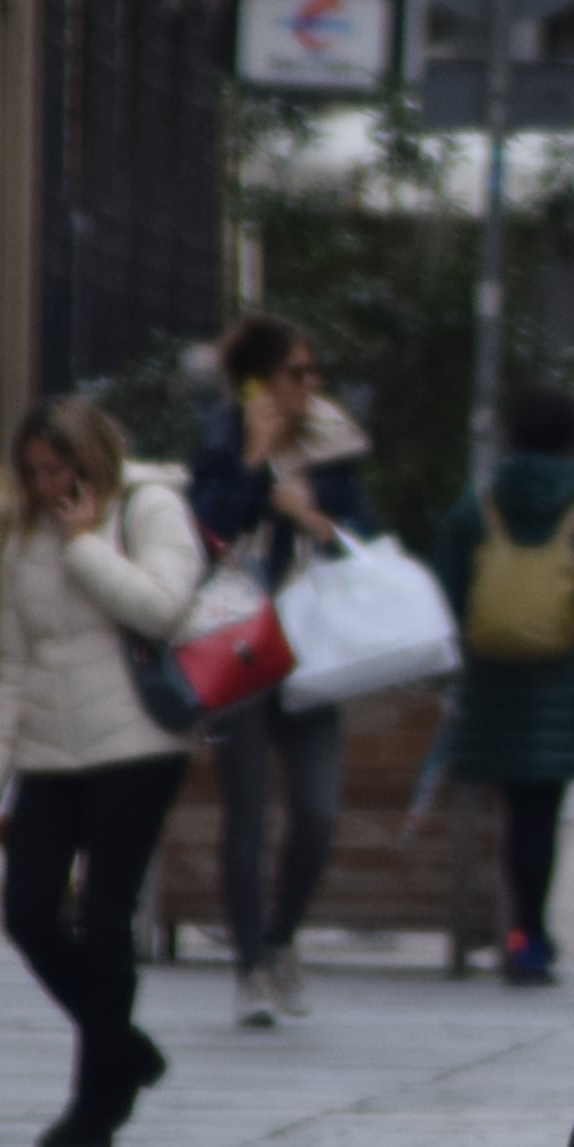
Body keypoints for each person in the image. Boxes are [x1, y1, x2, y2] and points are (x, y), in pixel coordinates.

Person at [0, 397, 210, 1147]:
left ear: (90, 456)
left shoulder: (149, 506)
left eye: (56, 469)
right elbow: (13, 663)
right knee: (28, 910)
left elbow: (165, 609)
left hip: (135, 744)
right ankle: (125, 1048)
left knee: (107, 917)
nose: (43, 487)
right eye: (31, 473)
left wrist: (85, 544)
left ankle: (96, 1105)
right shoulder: (26, 535)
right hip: (48, 751)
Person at [189, 316, 372, 1027]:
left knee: (320, 812)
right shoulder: (221, 439)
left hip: (311, 646)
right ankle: (249, 971)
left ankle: (281, 935)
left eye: (311, 369)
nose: (311, 383)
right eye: (297, 372)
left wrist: (313, 519)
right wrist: (255, 460)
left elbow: (365, 540)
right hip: (239, 642)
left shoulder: (334, 445)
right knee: (246, 814)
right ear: (261, 383)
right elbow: (205, 532)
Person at [435, 381, 574, 987]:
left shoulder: (480, 502)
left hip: (492, 682)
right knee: (541, 817)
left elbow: (445, 580)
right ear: (572, 436)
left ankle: (508, 932)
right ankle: (528, 940)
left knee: (507, 811)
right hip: (561, 687)